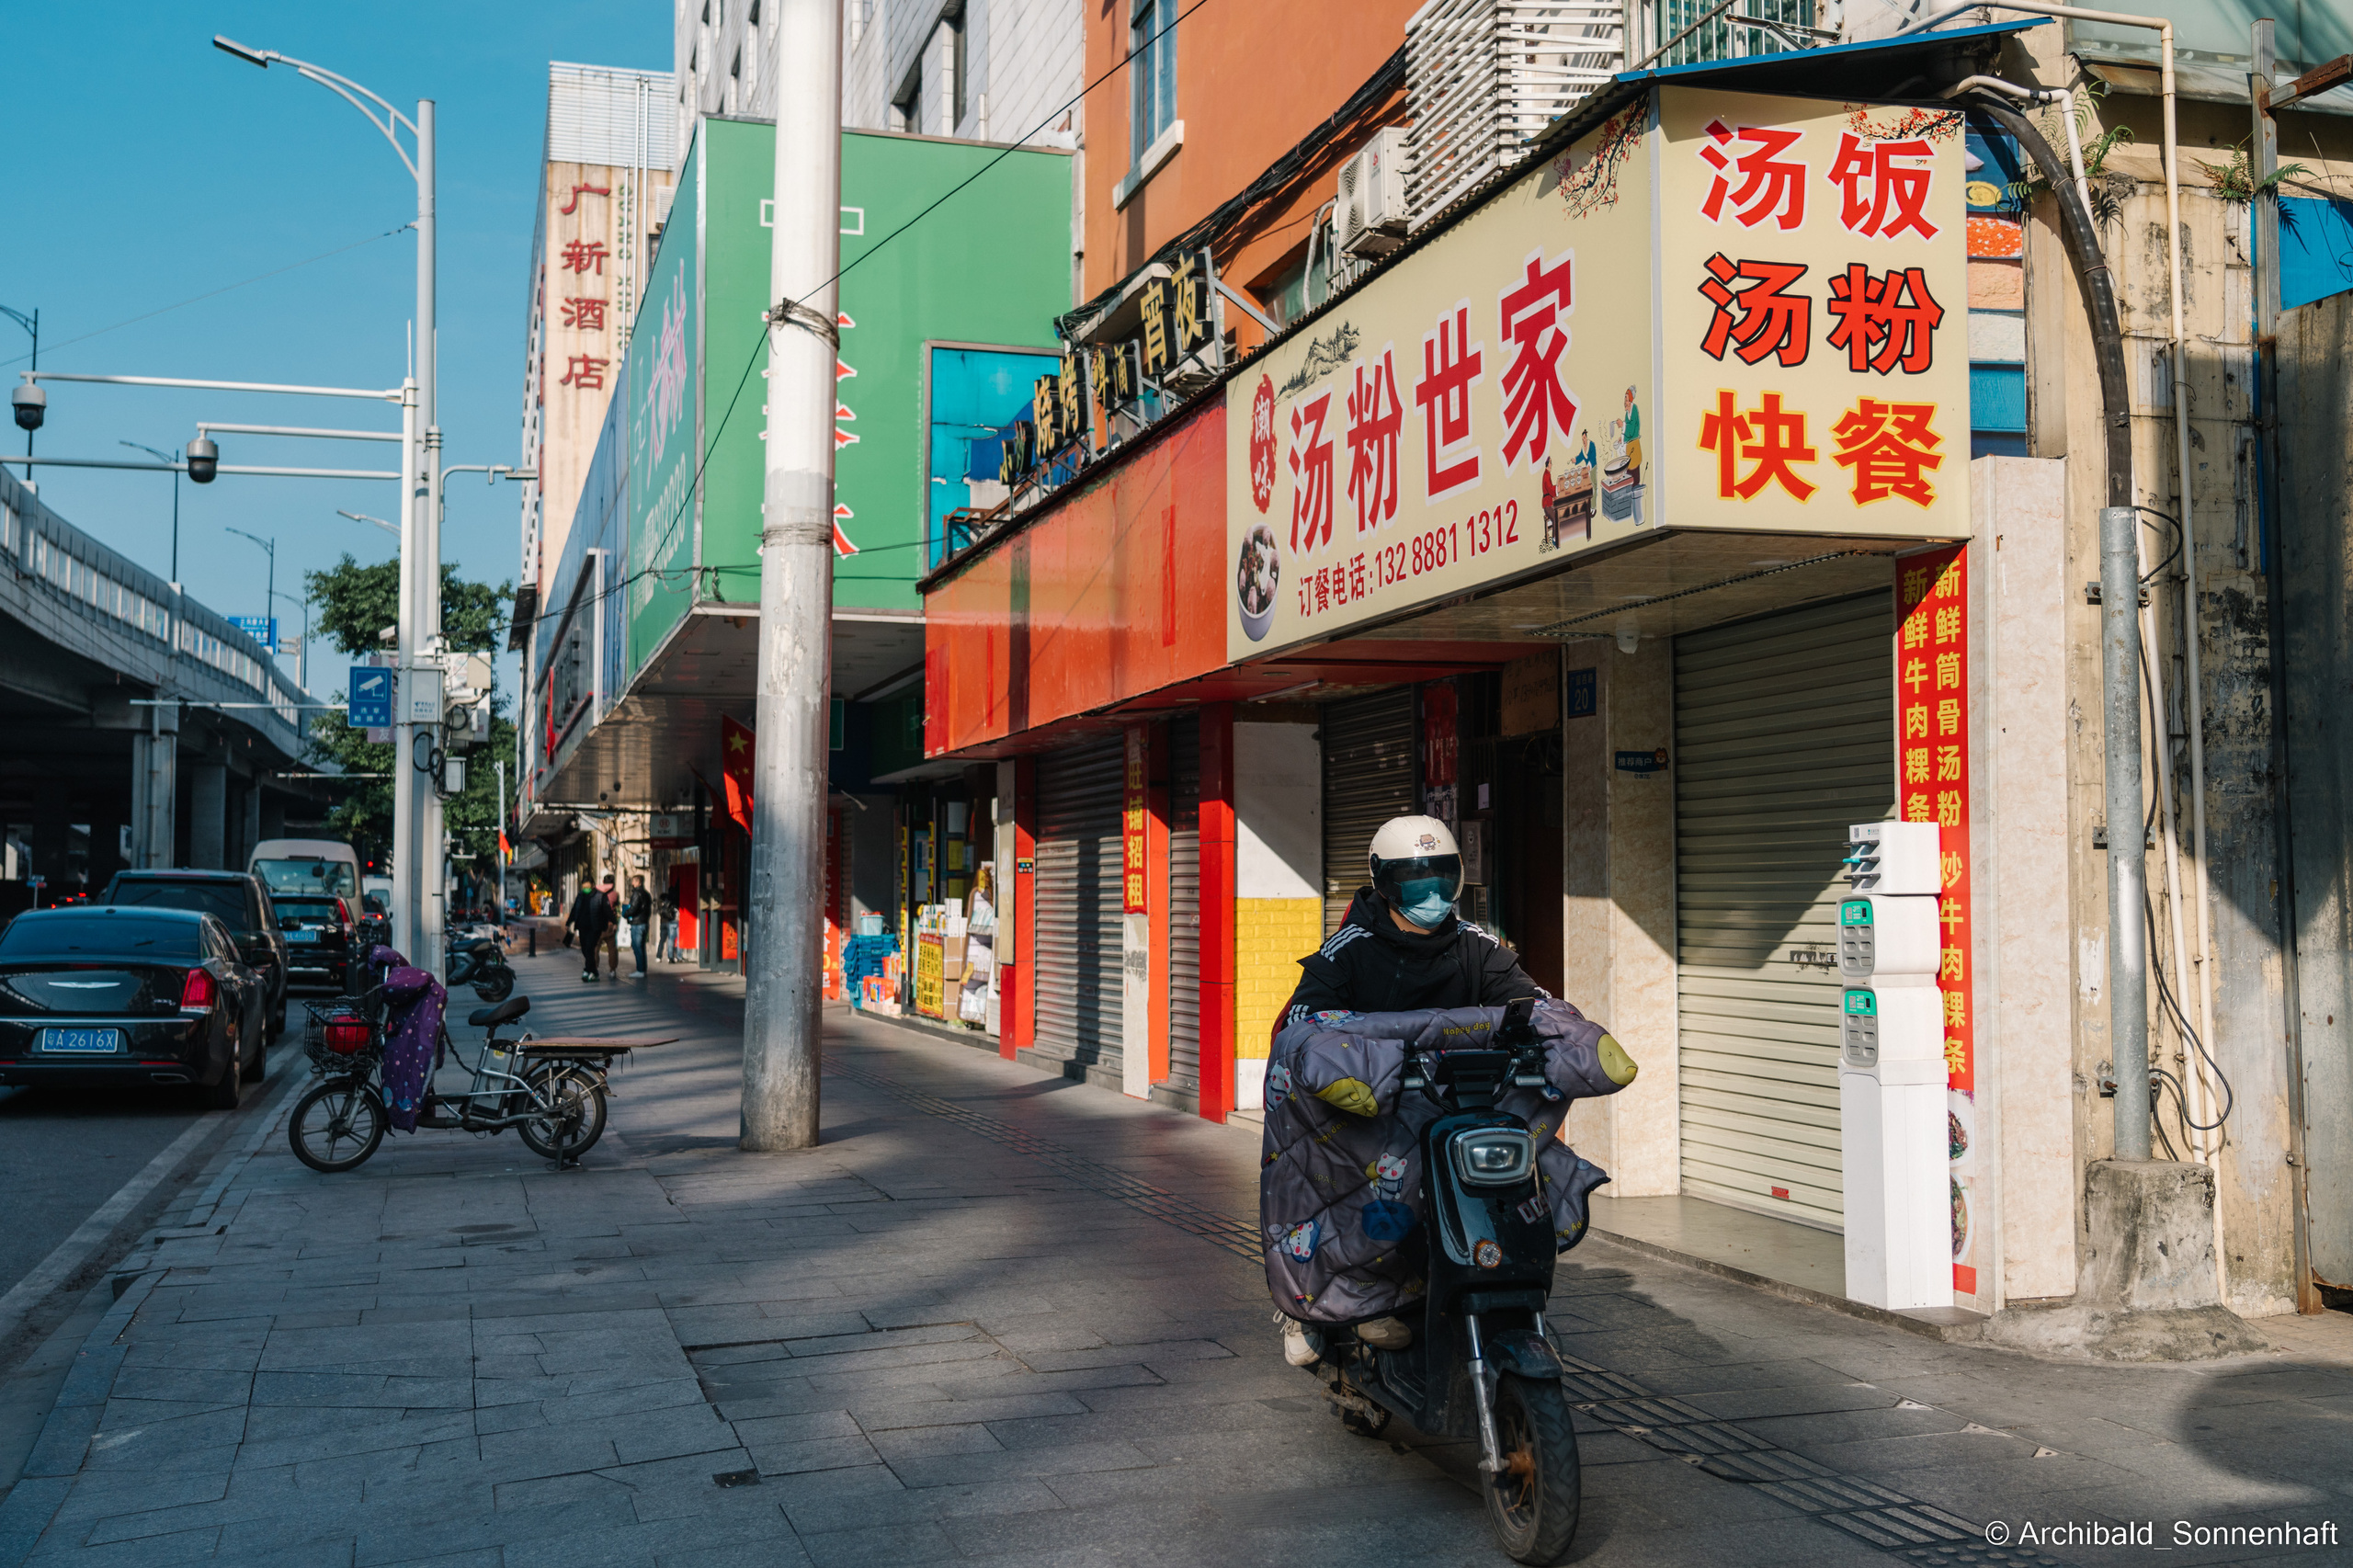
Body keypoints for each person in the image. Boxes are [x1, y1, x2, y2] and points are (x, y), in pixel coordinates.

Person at [1269, 813, 1556, 1369]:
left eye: (1442, 880)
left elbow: (1531, 1004)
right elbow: (1305, 1020)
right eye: (1414, 882)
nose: (1431, 895)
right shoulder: (1348, 948)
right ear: (1383, 881)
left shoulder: (1478, 945)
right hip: (1367, 1108)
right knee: (1322, 1184)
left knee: (1534, 1175)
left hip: (1457, 1104)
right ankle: (1310, 1302)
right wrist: (1345, 1060)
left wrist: (1562, 1036)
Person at [565, 878, 610, 983]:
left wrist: (611, 923)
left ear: (593, 885)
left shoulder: (600, 895)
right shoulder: (580, 895)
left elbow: (606, 911)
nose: (586, 889)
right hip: (582, 926)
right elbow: (574, 909)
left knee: (590, 948)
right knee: (585, 949)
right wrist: (569, 922)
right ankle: (593, 971)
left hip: (595, 927)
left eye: (587, 887)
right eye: (584, 887)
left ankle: (588, 970)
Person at [624, 875, 654, 977]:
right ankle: (642, 969)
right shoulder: (646, 894)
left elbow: (634, 908)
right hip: (643, 922)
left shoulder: (637, 894)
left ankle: (640, 970)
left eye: (634, 881)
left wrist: (626, 913)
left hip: (638, 923)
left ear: (638, 882)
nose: (632, 884)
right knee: (641, 947)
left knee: (637, 947)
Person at [595, 873, 620, 981]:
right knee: (612, 949)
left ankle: (594, 969)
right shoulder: (615, 894)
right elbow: (616, 906)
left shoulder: (596, 893)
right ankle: (612, 970)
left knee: (595, 948)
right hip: (610, 925)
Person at [657, 882, 680, 962]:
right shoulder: (675, 898)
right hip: (673, 920)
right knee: (675, 939)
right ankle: (676, 956)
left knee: (664, 940)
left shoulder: (664, 899)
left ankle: (660, 956)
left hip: (664, 921)